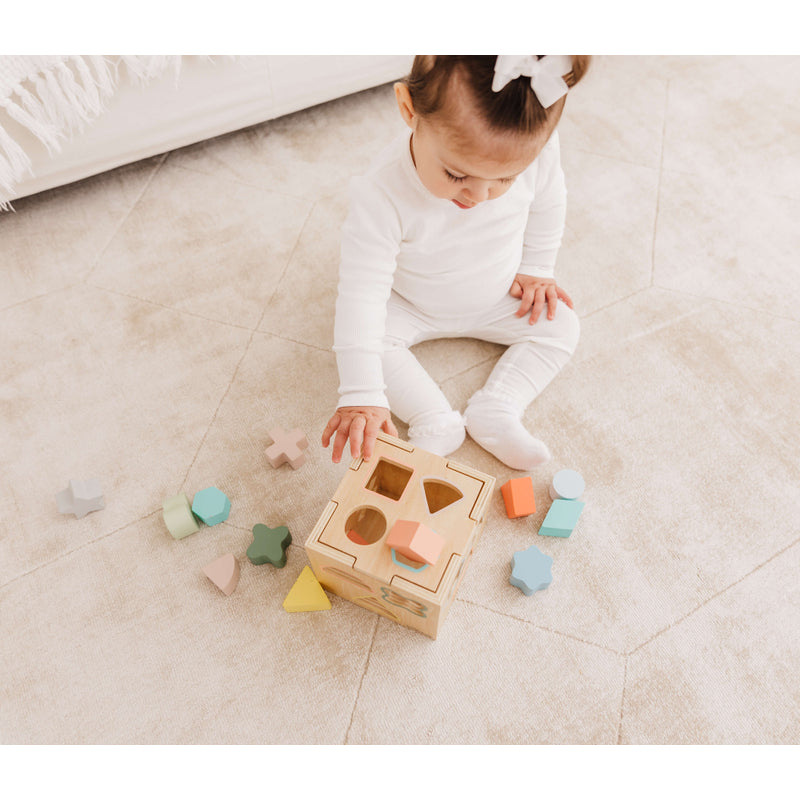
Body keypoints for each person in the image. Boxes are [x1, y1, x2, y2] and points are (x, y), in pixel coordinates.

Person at [322, 55, 590, 470]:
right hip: (410, 303)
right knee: (364, 342)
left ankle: (498, 409)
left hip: (500, 293)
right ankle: (433, 420)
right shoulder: (380, 195)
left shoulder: (537, 152)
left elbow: (550, 200)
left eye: (505, 179)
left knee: (563, 325)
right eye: (456, 174)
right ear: (409, 110)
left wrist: (537, 267)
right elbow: (361, 293)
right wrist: (361, 394)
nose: (480, 196)